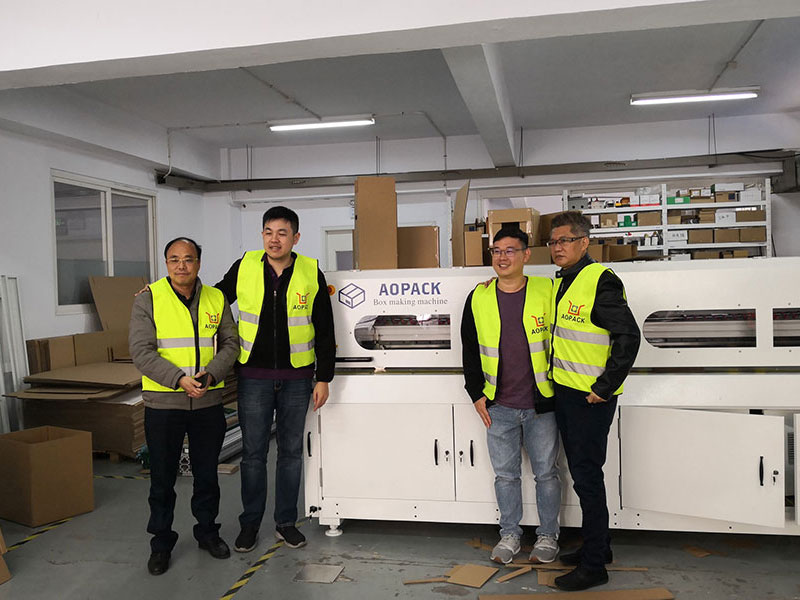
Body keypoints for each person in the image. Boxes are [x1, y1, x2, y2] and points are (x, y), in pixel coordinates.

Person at [215, 206, 335, 553]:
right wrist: (160, 293)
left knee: (291, 453)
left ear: (295, 238)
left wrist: (324, 377)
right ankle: (250, 524)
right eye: (268, 232)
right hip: (253, 377)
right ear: (262, 235)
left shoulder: (310, 271)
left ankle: (285, 523)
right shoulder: (245, 266)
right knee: (253, 455)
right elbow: (214, 299)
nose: (274, 239)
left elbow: (325, 328)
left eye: (282, 233)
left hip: (297, 378)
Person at [129, 237, 239, 576]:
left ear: (198, 263)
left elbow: (231, 343)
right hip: (164, 405)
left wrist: (212, 373)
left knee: (207, 476)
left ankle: (207, 533)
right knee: (162, 479)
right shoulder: (148, 299)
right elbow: (141, 351)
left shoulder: (216, 298)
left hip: (207, 402)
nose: (181, 265)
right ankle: (161, 543)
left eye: (188, 259)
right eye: (174, 259)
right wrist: (178, 379)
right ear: (166, 264)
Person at [546, 211, 640, 591]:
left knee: (587, 478)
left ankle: (594, 565)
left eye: (565, 241)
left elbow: (628, 336)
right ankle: (599, 547)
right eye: (553, 242)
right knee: (583, 474)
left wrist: (605, 387)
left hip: (590, 399)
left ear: (584, 242)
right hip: (567, 393)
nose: (557, 248)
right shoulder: (562, 281)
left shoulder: (600, 280)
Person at [460, 227, 562, 565]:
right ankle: (510, 535)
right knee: (505, 476)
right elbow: (469, 349)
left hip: (542, 403)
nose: (502, 257)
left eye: (510, 250)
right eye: (497, 251)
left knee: (546, 474)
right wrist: (476, 394)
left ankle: (548, 536)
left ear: (526, 255)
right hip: (498, 405)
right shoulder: (479, 297)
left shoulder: (548, 290)